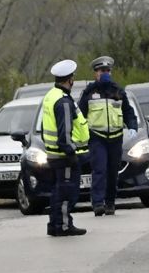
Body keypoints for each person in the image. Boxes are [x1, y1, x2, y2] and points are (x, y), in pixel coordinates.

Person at [75, 56, 134, 217]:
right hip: (97, 138)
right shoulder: (89, 92)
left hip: (116, 138)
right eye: (102, 71)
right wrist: (81, 135)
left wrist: (132, 126)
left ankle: (110, 203)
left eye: (107, 70)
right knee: (100, 170)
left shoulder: (117, 91)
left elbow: (128, 112)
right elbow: (79, 115)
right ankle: (98, 203)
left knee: (113, 172)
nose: (105, 73)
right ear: (96, 73)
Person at [37, 59, 89, 237]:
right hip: (64, 156)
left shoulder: (50, 95)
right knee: (67, 193)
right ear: (70, 80)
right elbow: (64, 132)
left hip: (53, 155)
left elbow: (45, 127)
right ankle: (64, 226)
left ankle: (54, 224)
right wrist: (70, 152)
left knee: (57, 192)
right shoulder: (63, 101)